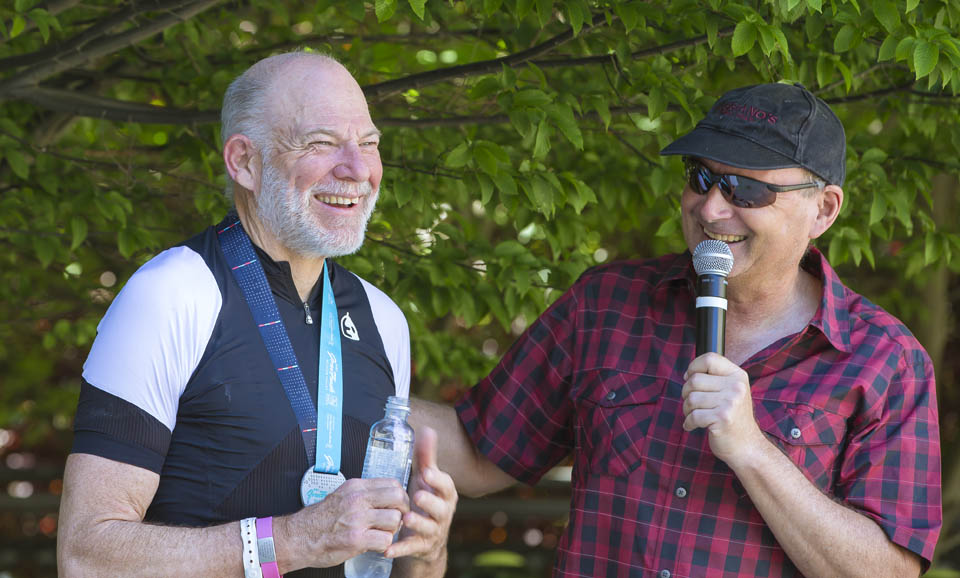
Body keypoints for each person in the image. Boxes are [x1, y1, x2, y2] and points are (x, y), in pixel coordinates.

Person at [413, 82, 941, 577]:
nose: (711, 208)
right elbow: (479, 452)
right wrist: (337, 381)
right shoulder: (606, 305)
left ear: (823, 209)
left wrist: (753, 450)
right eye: (701, 177)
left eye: (745, 190)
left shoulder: (885, 360)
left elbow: (887, 569)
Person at [57, 52, 457, 578]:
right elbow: (85, 556)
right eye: (320, 143)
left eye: (369, 143)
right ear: (244, 162)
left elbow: (383, 567)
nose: (358, 169)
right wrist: (289, 541)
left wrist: (427, 551)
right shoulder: (172, 293)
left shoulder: (385, 320)